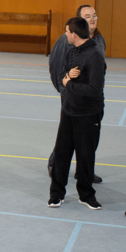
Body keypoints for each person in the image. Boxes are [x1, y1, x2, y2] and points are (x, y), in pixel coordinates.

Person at [48, 17, 106, 210]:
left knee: (85, 155)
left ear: (74, 34)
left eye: (66, 32)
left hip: (88, 115)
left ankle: (86, 194)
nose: (65, 35)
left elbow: (94, 90)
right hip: (68, 112)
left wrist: (69, 84)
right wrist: (67, 79)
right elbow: (62, 75)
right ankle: (56, 193)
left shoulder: (95, 56)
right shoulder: (71, 52)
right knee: (62, 154)